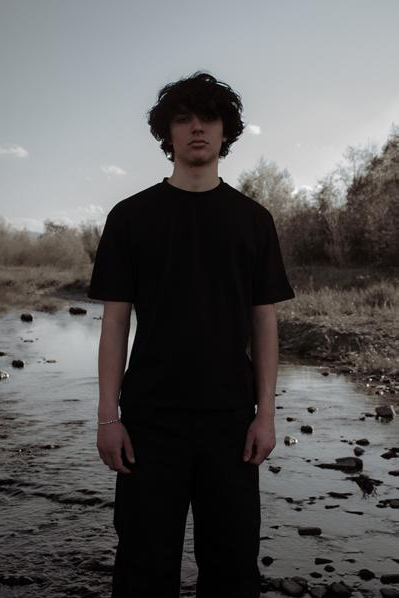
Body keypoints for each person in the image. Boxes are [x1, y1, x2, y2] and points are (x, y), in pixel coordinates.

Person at [87, 71, 295, 598]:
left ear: (226, 132)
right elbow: (115, 323)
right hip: (149, 420)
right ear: (168, 134)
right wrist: (108, 417)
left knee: (232, 569)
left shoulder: (253, 220)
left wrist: (266, 415)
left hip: (231, 421)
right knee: (142, 568)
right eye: (183, 119)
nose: (197, 128)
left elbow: (264, 321)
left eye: (208, 118)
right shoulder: (130, 217)